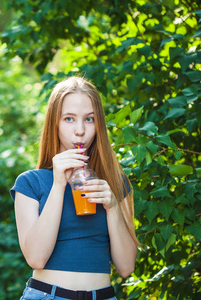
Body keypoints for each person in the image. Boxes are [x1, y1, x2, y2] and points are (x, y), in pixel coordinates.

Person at [10, 76, 140, 300]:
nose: (80, 130)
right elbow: (36, 259)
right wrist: (59, 185)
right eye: (69, 119)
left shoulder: (115, 183)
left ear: (98, 124)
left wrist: (112, 207)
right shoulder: (30, 183)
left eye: (89, 119)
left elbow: (127, 267)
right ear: (55, 124)